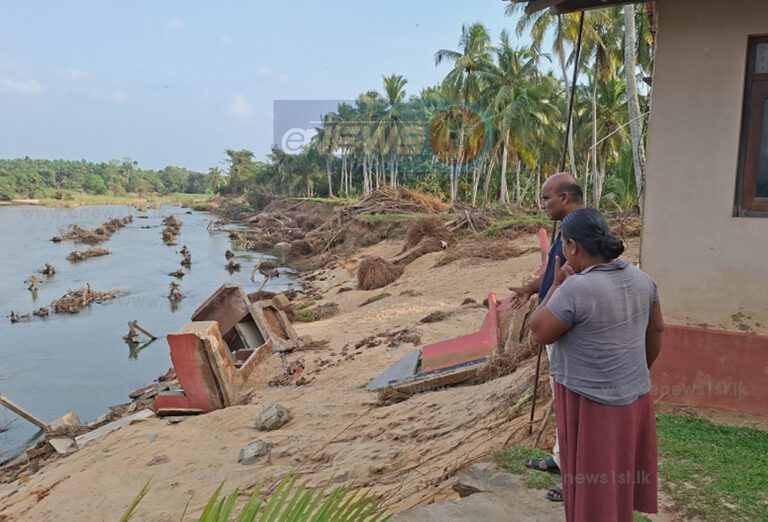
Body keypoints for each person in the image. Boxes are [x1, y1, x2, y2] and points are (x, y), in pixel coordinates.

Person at [529, 208, 664, 522]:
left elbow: (538, 332)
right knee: (616, 475)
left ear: (573, 247)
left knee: (591, 486)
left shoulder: (576, 289)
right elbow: (656, 330)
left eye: (563, 246)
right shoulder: (642, 280)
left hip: (589, 402)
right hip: (634, 397)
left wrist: (555, 286)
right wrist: (637, 370)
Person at [509, 172, 583, 496]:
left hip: (570, 331)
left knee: (576, 404)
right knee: (561, 399)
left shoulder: (582, 231)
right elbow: (556, 271)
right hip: (557, 327)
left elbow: (577, 278)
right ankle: (561, 459)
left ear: (564, 198)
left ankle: (577, 478)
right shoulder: (568, 229)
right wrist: (530, 288)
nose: (543, 205)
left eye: (546, 198)